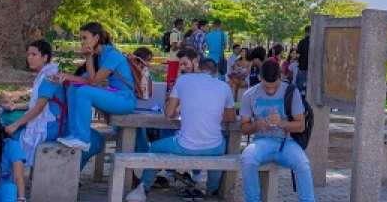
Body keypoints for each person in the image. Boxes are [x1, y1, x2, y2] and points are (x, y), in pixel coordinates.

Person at [126, 50, 235, 202]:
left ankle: (144, 186)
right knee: (221, 146)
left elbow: (169, 113)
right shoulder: (224, 87)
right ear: (215, 73)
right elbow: (231, 118)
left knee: (155, 147)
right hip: (214, 147)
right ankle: (211, 189)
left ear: (198, 68)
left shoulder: (183, 80)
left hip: (185, 145)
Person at [239, 60, 314, 202]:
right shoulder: (249, 95)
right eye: (267, 87)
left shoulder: (291, 92)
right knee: (248, 158)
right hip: (262, 141)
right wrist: (257, 125)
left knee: (302, 163)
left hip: (287, 142)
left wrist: (281, 123)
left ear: (281, 78)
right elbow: (244, 127)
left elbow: (301, 126)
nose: (271, 91)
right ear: (260, 78)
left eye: (275, 87)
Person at [56, 22, 137, 151]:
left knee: (84, 92)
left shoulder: (112, 54)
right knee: (73, 88)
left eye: (84, 38)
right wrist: (67, 77)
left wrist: (88, 57)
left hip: (125, 99)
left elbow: (93, 82)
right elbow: (89, 79)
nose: (82, 42)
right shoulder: (99, 55)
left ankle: (83, 139)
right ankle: (74, 133)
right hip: (113, 94)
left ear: (96, 38)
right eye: (80, 39)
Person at [3, 40, 60, 165]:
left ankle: (11, 177)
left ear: (45, 57)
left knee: (9, 141)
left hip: (50, 125)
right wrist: (15, 106)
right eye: (28, 54)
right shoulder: (45, 74)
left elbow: (39, 108)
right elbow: (36, 104)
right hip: (47, 121)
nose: (29, 58)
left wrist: (16, 125)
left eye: (34, 55)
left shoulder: (49, 77)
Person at [294, 25, 310, 93]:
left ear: (305, 32)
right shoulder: (315, 42)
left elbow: (298, 55)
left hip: (303, 66)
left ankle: (300, 96)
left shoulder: (302, 42)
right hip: (313, 67)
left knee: (301, 82)